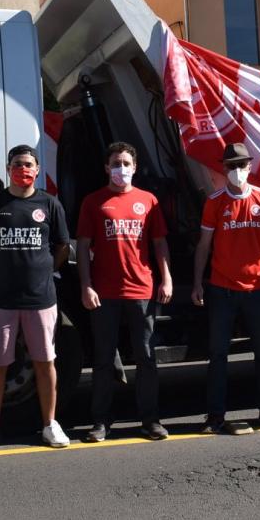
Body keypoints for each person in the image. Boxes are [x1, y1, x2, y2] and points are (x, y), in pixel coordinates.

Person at [0, 145, 72, 453]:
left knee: (45, 362)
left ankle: (50, 425)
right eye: (17, 164)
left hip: (41, 300)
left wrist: (41, 274)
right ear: (8, 168)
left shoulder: (50, 204)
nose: (22, 169)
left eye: (28, 164)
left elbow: (62, 248)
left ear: (38, 170)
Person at [76, 142, 173, 442]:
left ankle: (150, 419)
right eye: (116, 163)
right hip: (104, 292)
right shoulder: (93, 202)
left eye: (126, 163)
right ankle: (101, 421)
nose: (121, 168)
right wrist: (86, 285)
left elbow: (159, 243)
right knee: (104, 360)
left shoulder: (149, 201)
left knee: (146, 357)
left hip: (141, 290)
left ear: (134, 166)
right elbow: (82, 247)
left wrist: (166, 279)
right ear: (106, 168)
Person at [191, 143, 260, 435]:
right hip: (222, 289)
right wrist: (198, 282)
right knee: (218, 355)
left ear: (250, 167)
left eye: (242, 165)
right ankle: (215, 416)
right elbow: (204, 246)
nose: (237, 171)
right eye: (231, 166)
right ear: (224, 169)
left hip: (258, 288)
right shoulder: (214, 202)